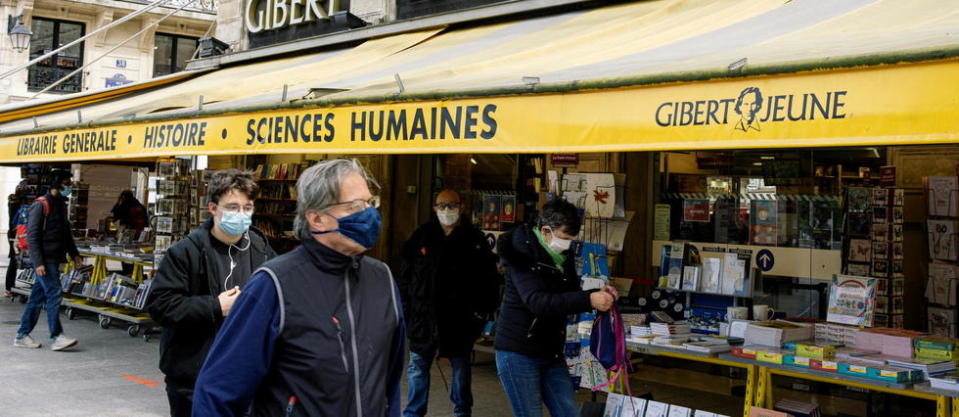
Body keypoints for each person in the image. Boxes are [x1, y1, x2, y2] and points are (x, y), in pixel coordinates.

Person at [192, 159, 406, 417]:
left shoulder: (381, 279)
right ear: (317, 218)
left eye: (370, 204)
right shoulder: (274, 285)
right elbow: (218, 392)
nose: (369, 215)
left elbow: (389, 383)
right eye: (355, 207)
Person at [146, 169, 276, 417]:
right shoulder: (185, 252)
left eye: (247, 208)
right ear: (213, 209)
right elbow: (160, 305)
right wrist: (215, 307)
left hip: (245, 376)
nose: (241, 214)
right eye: (232, 207)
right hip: (193, 379)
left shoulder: (261, 249)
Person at [494, 198, 617, 417]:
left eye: (571, 239)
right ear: (545, 231)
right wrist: (589, 300)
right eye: (564, 238)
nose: (568, 244)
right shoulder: (521, 254)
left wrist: (597, 294)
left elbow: (567, 295)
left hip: (550, 350)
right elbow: (538, 302)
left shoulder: (562, 255)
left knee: (568, 411)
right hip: (518, 351)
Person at [398, 189, 500, 417]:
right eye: (442, 205)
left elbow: (489, 282)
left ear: (462, 207)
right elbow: (404, 276)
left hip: (460, 320)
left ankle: (462, 411)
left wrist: (479, 316)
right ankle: (413, 413)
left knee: (461, 369)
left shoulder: (474, 239)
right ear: (434, 207)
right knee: (417, 367)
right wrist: (408, 310)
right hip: (423, 319)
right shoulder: (421, 236)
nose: (447, 209)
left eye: (452, 205)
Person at [13, 171, 82, 351]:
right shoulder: (41, 205)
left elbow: (65, 232)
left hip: (54, 257)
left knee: (37, 297)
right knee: (54, 293)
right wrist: (38, 263)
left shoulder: (61, 204)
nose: (69, 187)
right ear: (57, 184)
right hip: (45, 260)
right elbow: (33, 235)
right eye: (66, 183)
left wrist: (74, 254)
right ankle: (57, 336)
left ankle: (22, 335)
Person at [5, 182, 27, 297]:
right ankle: (9, 288)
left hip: (17, 234)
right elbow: (13, 222)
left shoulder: (17, 201)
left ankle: (9, 287)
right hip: (16, 234)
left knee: (14, 260)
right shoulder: (16, 202)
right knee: (14, 260)